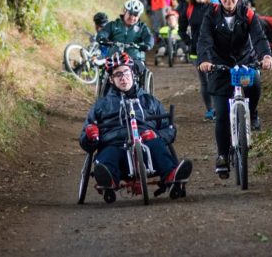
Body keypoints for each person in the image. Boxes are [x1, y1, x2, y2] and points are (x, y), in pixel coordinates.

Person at [79, 53, 192, 196]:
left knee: (156, 145)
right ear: (111, 80)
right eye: (117, 74)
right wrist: (90, 136)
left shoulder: (150, 101)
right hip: (115, 144)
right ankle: (108, 180)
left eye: (126, 72)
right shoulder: (101, 105)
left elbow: (169, 129)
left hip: (147, 147)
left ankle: (172, 175)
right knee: (108, 153)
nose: (123, 77)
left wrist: (157, 135)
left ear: (133, 74)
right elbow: (84, 139)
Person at [197, 0, 272, 177]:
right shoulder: (211, 15)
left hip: (244, 62)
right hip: (219, 66)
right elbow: (204, 40)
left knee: (255, 81)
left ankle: (253, 112)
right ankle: (222, 155)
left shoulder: (248, 15)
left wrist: (265, 56)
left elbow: (259, 38)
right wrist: (205, 60)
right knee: (221, 113)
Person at [178, 0, 214, 120]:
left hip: (213, 50)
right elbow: (181, 29)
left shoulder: (213, 8)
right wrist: (189, 42)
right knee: (205, 81)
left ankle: (220, 108)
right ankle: (210, 110)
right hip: (197, 51)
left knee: (215, 79)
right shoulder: (189, 9)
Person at [97, 0, 154, 71]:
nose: (132, 17)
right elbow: (103, 33)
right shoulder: (113, 25)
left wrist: (148, 45)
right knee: (103, 70)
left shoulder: (142, 27)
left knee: (139, 69)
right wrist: (102, 38)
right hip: (114, 57)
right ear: (125, 11)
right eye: (130, 13)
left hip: (135, 58)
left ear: (139, 16)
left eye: (135, 15)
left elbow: (149, 37)